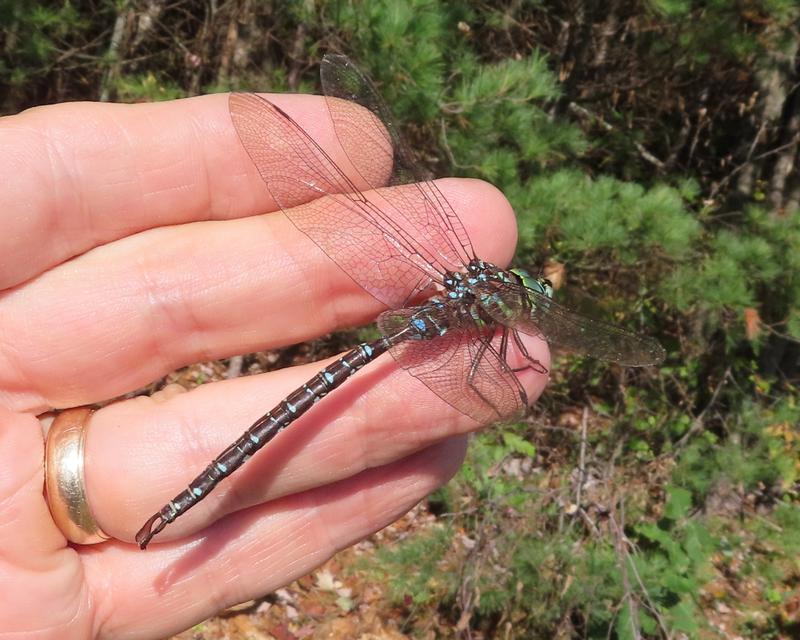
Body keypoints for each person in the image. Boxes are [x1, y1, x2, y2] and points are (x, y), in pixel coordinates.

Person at [0, 92, 548, 638]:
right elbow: (491, 364)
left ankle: (173, 504)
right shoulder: (492, 318)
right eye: (528, 292)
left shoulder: (470, 288)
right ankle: (179, 501)